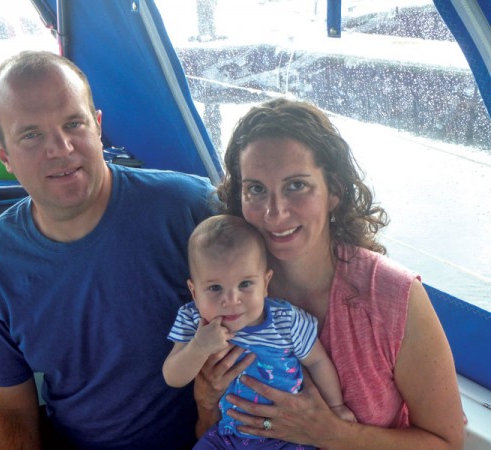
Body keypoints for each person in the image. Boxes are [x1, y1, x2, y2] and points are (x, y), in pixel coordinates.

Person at [0, 50, 216, 449]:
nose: (60, 148)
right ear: (4, 154)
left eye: (73, 123)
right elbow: (10, 407)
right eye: (31, 135)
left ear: (97, 127)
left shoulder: (193, 209)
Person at [193, 98, 465, 449]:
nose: (275, 213)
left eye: (296, 185)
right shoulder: (224, 295)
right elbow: (209, 434)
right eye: (256, 189)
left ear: (334, 191)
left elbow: (448, 443)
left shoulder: (393, 297)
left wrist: (332, 434)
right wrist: (204, 403)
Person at [163, 214, 355, 449]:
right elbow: (173, 376)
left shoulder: (286, 320)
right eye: (215, 287)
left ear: (265, 283)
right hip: (228, 437)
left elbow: (317, 361)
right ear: (194, 292)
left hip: (288, 437)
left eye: (245, 284)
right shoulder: (194, 321)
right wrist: (198, 347)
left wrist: (335, 408)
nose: (232, 300)